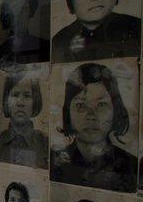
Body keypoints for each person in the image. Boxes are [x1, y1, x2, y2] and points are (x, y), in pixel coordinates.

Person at [50, 62, 138, 192]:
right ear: (68, 111)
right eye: (81, 105)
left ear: (115, 109)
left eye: (101, 105)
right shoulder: (53, 162)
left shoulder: (132, 166)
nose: (91, 115)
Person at [0, 70, 48, 168]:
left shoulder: (45, 142)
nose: (20, 103)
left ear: (35, 101)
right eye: (15, 95)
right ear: (6, 100)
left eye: (27, 96)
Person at [0, 0, 50, 67]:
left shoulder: (45, 48)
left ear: (31, 9)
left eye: (25, 6)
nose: (20, 12)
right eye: (14, 6)